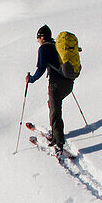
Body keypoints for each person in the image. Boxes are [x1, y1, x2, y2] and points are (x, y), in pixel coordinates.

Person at [26, 25, 74, 156]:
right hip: (69, 82)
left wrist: (31, 79)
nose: (38, 41)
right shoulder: (57, 46)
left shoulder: (44, 48)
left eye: (38, 38)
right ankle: (56, 132)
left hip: (56, 84)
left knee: (55, 111)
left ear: (42, 37)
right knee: (53, 106)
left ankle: (58, 142)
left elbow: (41, 68)